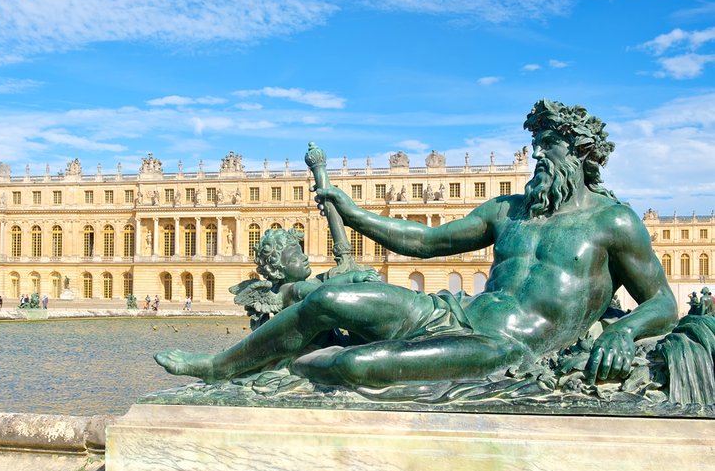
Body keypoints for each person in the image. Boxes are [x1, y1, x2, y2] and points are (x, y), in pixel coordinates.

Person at [156, 99, 677, 387]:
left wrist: (623, 332)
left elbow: (662, 303)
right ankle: (219, 368)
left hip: (504, 346)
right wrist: (351, 208)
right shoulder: (510, 211)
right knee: (329, 298)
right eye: (536, 150)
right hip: (453, 311)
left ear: (581, 154)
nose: (539, 160)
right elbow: (424, 241)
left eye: (549, 150)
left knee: (356, 366)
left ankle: (295, 366)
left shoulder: (614, 223)